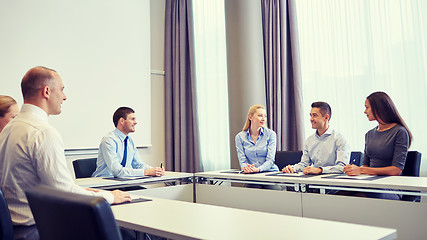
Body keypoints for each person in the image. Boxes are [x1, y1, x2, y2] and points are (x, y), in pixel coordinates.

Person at [0, 66, 131, 240]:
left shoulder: (9, 129)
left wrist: (89, 192)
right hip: (38, 231)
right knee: (124, 235)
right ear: (46, 91)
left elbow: (43, 185)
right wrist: (110, 196)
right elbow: (65, 193)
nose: (64, 97)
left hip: (16, 229)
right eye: (61, 90)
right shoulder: (42, 132)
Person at [344, 91, 412, 200]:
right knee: (339, 193)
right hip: (370, 183)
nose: (364, 111)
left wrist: (361, 170)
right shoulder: (369, 134)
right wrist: (353, 170)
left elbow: (396, 170)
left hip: (390, 187)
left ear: (378, 108)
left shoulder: (399, 132)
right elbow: (365, 166)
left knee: (357, 198)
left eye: (367, 107)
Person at [92, 107, 164, 178]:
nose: (136, 122)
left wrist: (155, 170)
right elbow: (117, 171)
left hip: (123, 181)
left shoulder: (129, 140)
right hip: (105, 183)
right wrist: (146, 172)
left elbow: (139, 165)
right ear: (122, 121)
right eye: (132, 119)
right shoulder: (108, 140)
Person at [283, 102, 350, 175]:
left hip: (334, 183)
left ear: (326, 118)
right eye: (311, 115)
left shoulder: (339, 139)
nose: (311, 119)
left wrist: (320, 170)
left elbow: (342, 167)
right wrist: (292, 168)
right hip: (314, 183)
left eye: (314, 115)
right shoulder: (309, 140)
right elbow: (304, 164)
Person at [235, 104, 279, 175]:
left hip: (269, 172)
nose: (263, 119)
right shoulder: (239, 137)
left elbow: (270, 161)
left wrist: (258, 169)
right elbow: (243, 161)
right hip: (251, 174)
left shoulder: (271, 134)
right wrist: (246, 168)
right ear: (250, 117)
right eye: (260, 116)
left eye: (265, 116)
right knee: (252, 186)